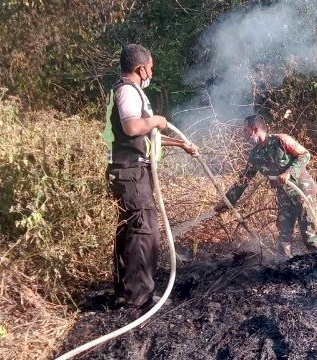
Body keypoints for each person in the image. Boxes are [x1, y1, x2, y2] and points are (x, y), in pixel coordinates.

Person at [102, 44, 199, 308]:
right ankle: (139, 297)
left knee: (131, 230)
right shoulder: (127, 91)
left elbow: (146, 137)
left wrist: (182, 145)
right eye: (151, 67)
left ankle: (126, 290)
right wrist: (156, 119)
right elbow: (133, 127)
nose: (151, 72)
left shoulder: (128, 92)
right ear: (140, 68)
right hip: (131, 171)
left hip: (130, 170)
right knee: (145, 232)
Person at [215, 114, 317, 259]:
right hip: (283, 195)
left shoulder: (281, 140)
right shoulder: (255, 154)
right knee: (284, 232)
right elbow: (244, 180)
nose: (243, 134)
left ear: (255, 129)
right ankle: (283, 266)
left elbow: (305, 155)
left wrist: (289, 172)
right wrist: (227, 201)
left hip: (302, 191)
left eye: (245, 130)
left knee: (309, 232)